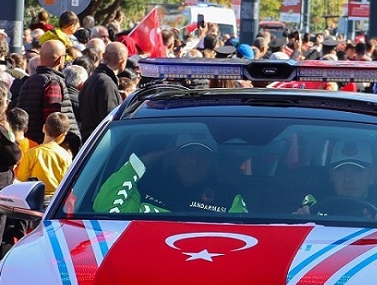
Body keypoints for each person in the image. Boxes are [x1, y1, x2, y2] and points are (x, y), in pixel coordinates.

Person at [92, 131, 248, 215]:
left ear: (213, 164)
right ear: (175, 158)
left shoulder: (228, 196)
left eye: (203, 155)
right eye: (187, 153)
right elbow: (106, 209)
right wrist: (143, 162)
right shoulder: (147, 187)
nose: (195, 160)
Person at [295, 140, 377, 223]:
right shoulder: (313, 201)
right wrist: (298, 219)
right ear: (331, 175)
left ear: (372, 175)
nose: (348, 178)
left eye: (357, 171)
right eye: (340, 170)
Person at [16, 39, 75, 146]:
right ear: (60, 59)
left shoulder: (29, 81)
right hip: (45, 147)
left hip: (29, 144)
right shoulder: (52, 82)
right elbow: (54, 121)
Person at [16, 112, 73, 197]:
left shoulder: (32, 153)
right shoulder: (66, 156)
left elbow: (21, 179)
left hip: (34, 198)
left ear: (44, 128)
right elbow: (68, 182)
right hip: (56, 201)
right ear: (62, 135)